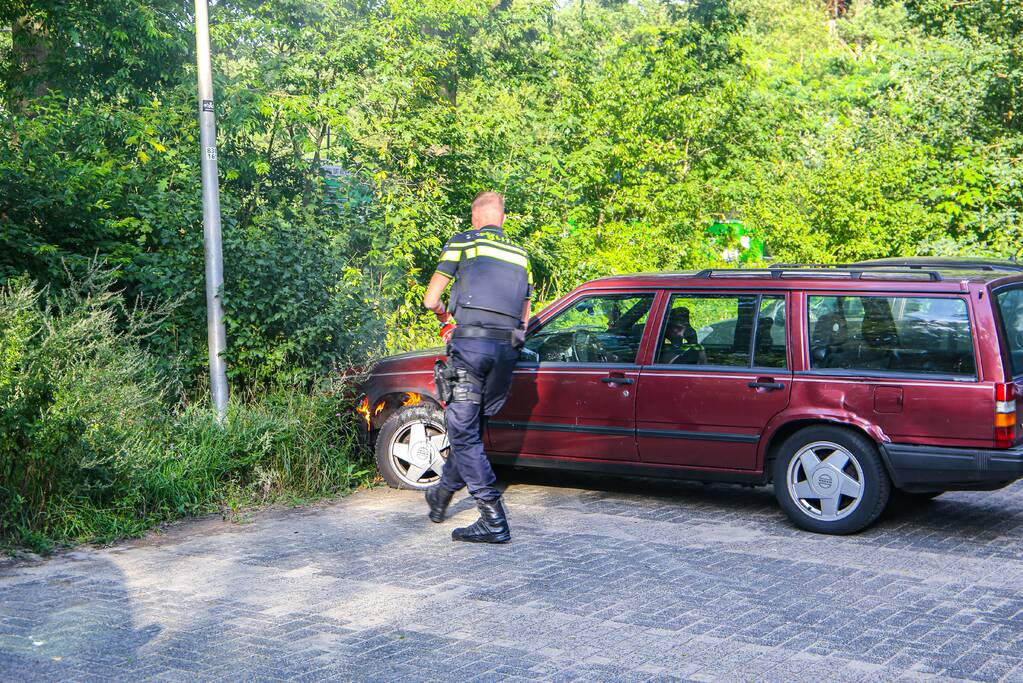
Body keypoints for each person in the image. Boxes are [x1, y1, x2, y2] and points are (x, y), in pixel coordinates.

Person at [421, 191, 532, 544]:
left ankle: (492, 517)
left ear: (475, 218)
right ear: (502, 218)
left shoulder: (462, 244)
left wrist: (444, 316)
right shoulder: (520, 255)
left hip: (471, 348)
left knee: (463, 432)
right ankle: (440, 496)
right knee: (470, 429)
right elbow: (524, 317)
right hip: (505, 354)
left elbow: (430, 300)